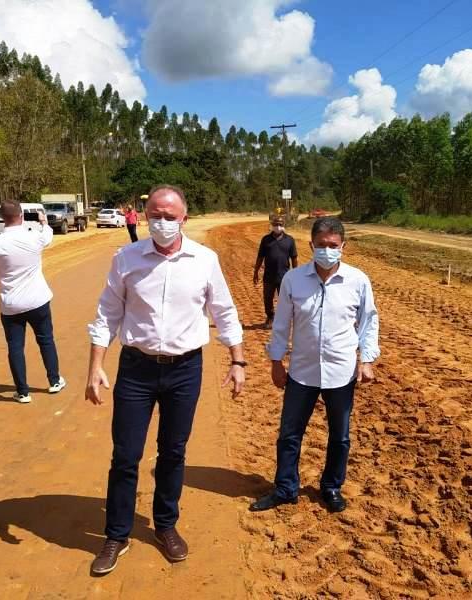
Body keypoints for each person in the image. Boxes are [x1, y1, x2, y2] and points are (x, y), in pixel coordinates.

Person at [85, 184, 246, 576]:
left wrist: (238, 360)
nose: (161, 222)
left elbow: (224, 311)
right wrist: (95, 366)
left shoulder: (204, 260)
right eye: (154, 214)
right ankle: (117, 533)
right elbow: (107, 314)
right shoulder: (126, 258)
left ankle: (165, 525)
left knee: (173, 452)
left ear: (184, 220)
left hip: (185, 370)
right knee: (126, 454)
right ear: (143, 215)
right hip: (136, 369)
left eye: (169, 216)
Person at [250, 217, 379, 514]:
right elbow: (281, 325)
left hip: (341, 371)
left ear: (343, 247)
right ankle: (285, 488)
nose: (327, 250)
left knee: (340, 436)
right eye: (321, 245)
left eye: (333, 246)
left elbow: (369, 323)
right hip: (301, 371)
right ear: (310, 245)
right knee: (289, 434)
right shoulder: (293, 280)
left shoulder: (357, 281)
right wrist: (276, 363)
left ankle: (331, 487)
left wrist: (367, 359)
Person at [0, 200, 66, 404]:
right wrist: (44, 221)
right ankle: (54, 380)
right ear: (22, 216)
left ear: (2, 219)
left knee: (15, 347)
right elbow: (48, 235)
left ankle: (23, 392)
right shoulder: (34, 237)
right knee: (46, 340)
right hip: (38, 300)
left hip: (11, 305)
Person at [253, 215, 298, 329]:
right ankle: (270, 317)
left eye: (280, 224)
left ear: (283, 226)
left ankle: (284, 320)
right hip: (269, 276)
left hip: (284, 276)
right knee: (267, 298)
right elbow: (260, 257)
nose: (278, 226)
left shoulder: (290, 240)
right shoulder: (266, 240)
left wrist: (296, 274)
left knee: (285, 300)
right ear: (272, 225)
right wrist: (256, 272)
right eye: (275, 224)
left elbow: (294, 258)